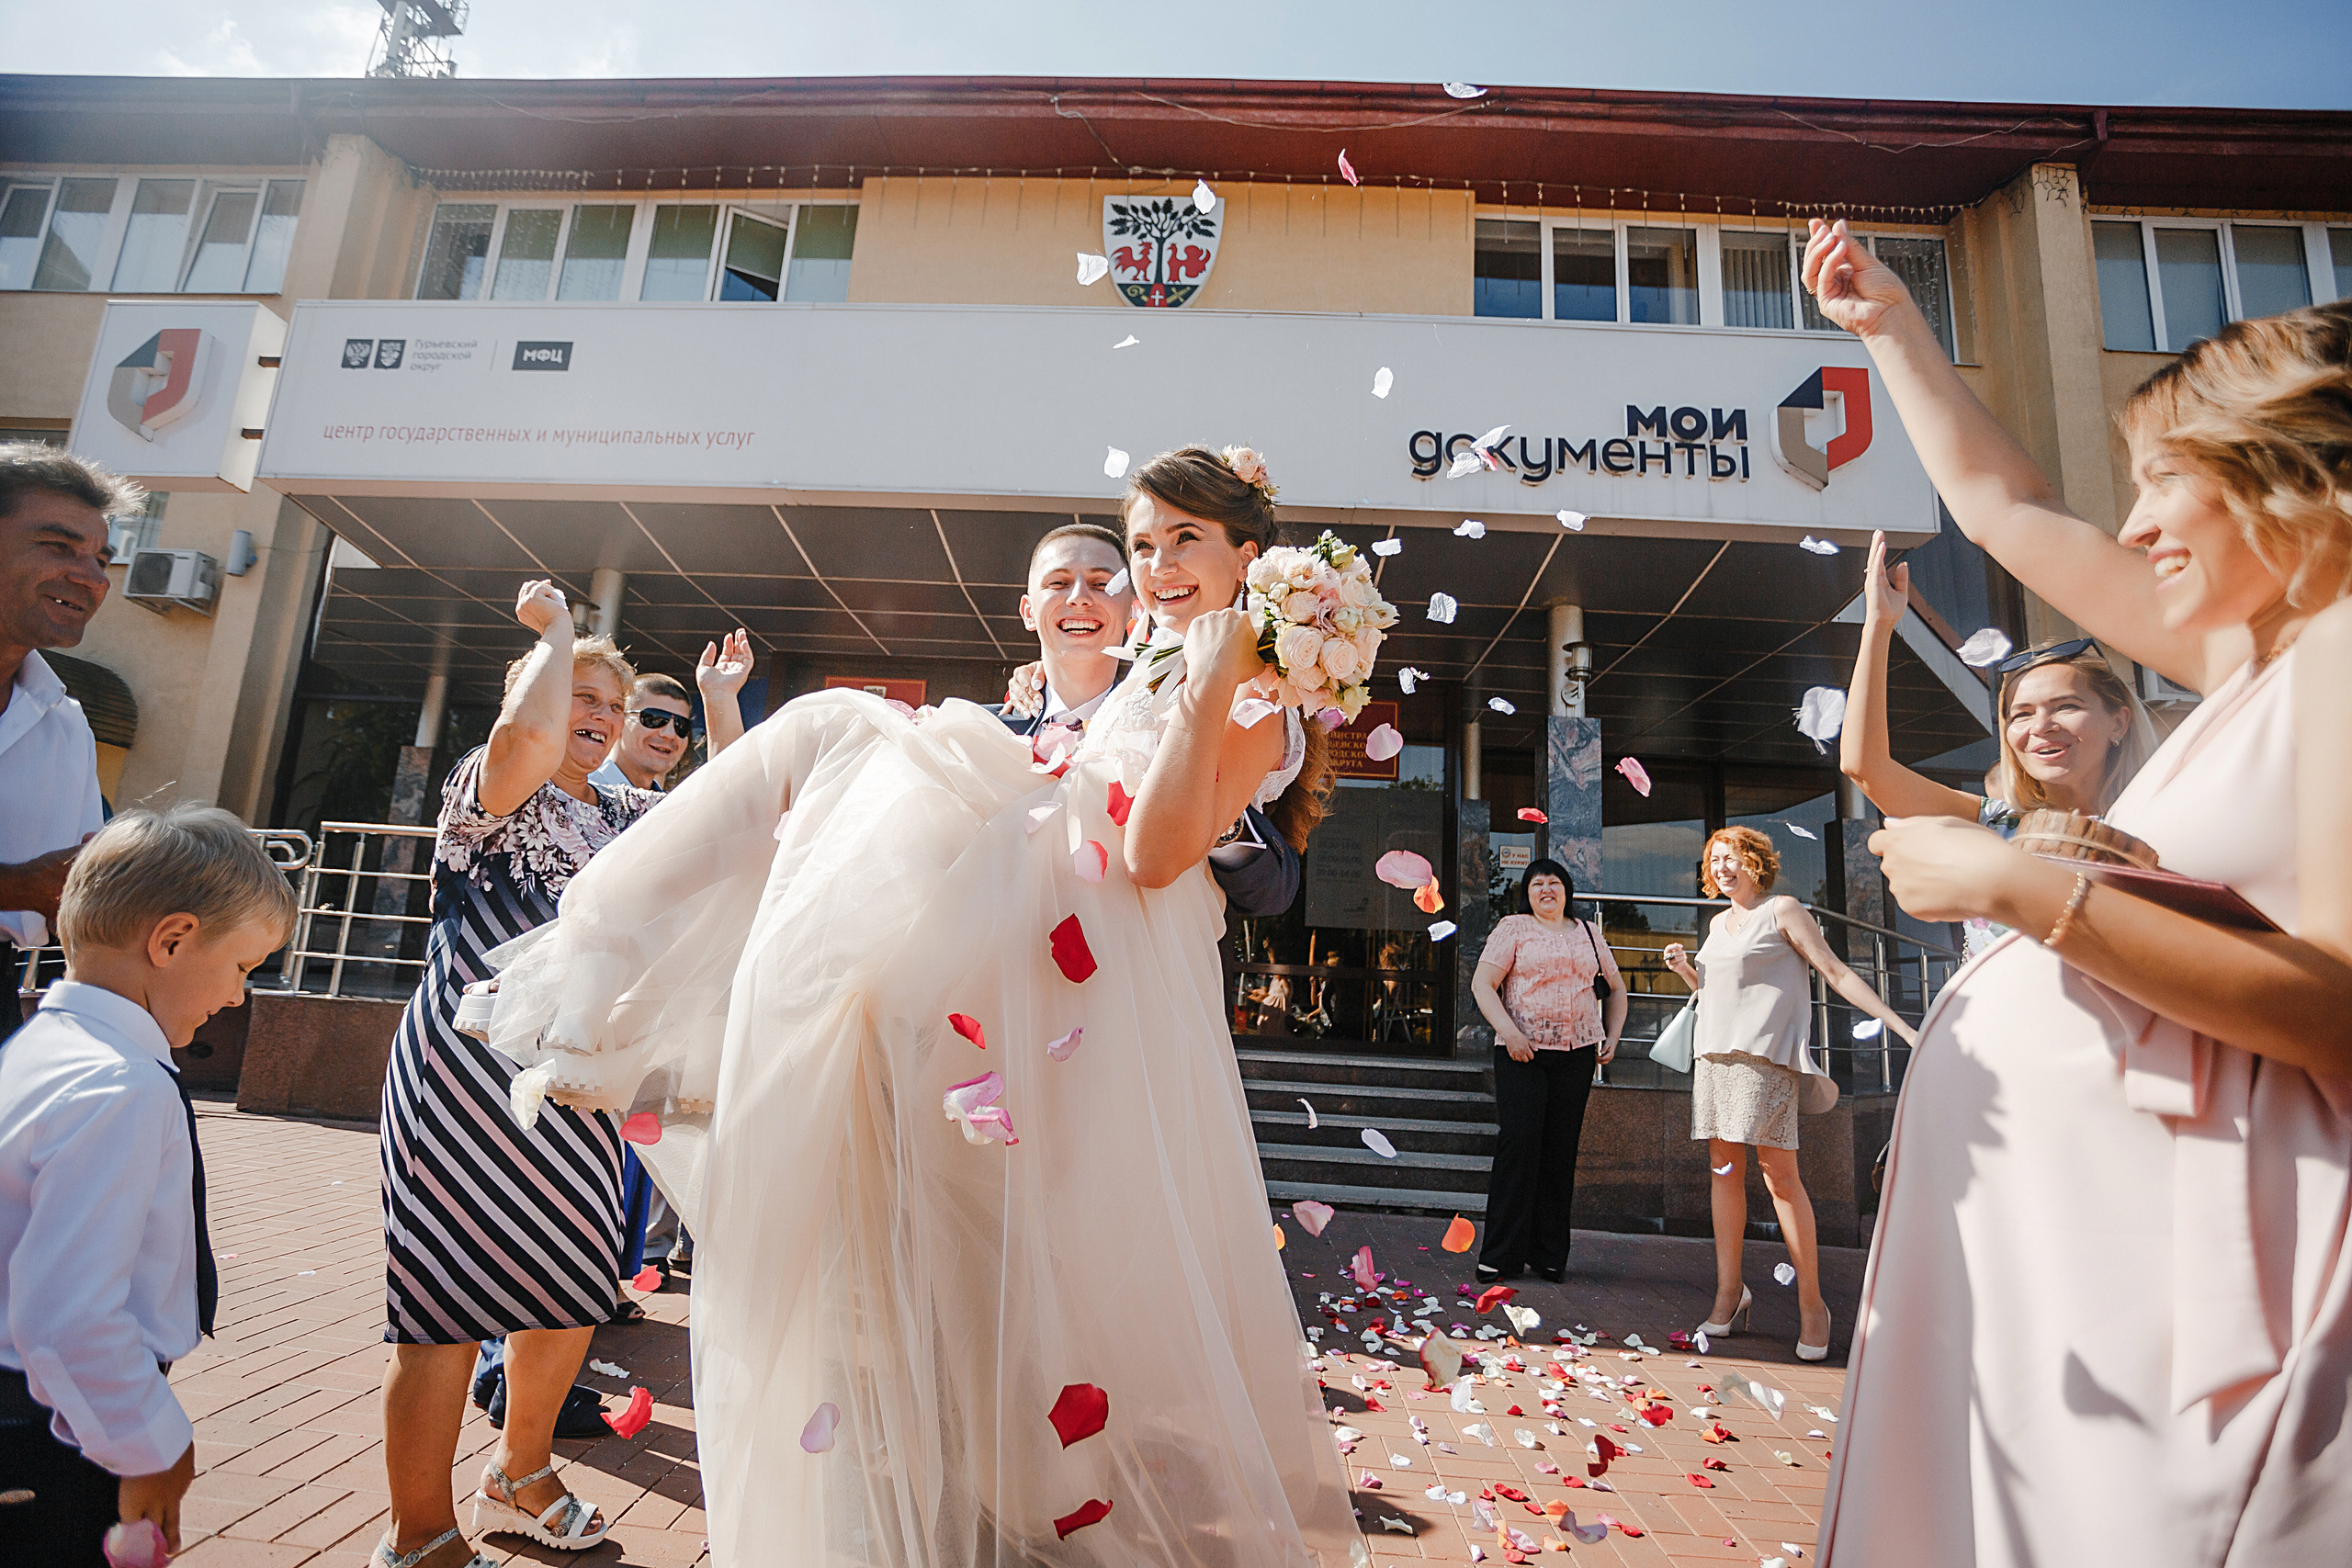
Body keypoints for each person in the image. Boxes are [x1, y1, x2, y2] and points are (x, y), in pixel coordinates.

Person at [476, 445, 1364, 1565]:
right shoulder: (1161, 666)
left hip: (1086, 973)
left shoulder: (1249, 694)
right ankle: (612, 994)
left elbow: (1150, 852)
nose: (1158, 565)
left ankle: (632, 1016)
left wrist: (1216, 664)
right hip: (1026, 944)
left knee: (840, 739)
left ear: (1248, 555)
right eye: (1144, 544)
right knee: (825, 752)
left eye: (1184, 540)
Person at [1799, 224, 2352, 1564]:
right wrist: (1890, 328)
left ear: (2294, 486)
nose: (2138, 523)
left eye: (2171, 482)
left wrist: (2017, 883)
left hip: (2189, 1283)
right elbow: (2010, 510)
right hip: (2074, 1256)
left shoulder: (2338, 661)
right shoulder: (2259, 656)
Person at [374, 580, 658, 1568]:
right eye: (581, 696)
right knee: (445, 1309)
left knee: (569, 1287)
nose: (599, 719)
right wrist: (559, 635)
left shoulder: (626, 814)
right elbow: (525, 740)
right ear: (533, 693)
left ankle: (520, 1470)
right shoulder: (486, 787)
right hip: (462, 1078)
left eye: (611, 707)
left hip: (573, 1089)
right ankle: (418, 1534)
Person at [0, 806, 295, 1565]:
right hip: (52, 1425)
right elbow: (66, 1311)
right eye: (241, 966)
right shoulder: (118, 1085)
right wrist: (147, 1441)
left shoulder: (42, 1048)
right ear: (172, 939)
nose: (236, 997)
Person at [1660, 828, 1917, 1359]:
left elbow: (1835, 970)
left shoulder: (1784, 910)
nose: (1723, 868)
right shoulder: (1716, 923)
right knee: (1723, 1172)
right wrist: (1688, 971)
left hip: (1765, 1060)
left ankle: (1812, 1305)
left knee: (1780, 1176)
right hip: (1713, 1056)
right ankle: (1730, 1293)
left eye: (1732, 858)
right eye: (1715, 861)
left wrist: (1902, 1026)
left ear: (1755, 861)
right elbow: (1718, 994)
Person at [1841, 528, 2154, 956]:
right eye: (2022, 714)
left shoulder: (2163, 820)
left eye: (2065, 706)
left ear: (2119, 722)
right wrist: (1878, 625)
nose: (2041, 726)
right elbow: (1865, 767)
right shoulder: (1995, 824)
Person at [998, 520, 1303, 919]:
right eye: (1057, 583)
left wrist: (1217, 821)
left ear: (1131, 611)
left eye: (1100, 583)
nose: (1078, 599)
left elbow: (1273, 894)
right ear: (1028, 611)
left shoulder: (1176, 724)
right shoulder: (988, 736)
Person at [0, 445, 133, 1038]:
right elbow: (32, 883)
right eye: (58, 546)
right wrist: (16, 884)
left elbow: (72, 893)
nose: (91, 576)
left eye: (101, 557)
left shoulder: (65, 723)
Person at [1470, 859, 1627, 1283]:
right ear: (1528, 892)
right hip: (1523, 1053)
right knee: (1519, 1146)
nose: (1546, 889)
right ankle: (1500, 1255)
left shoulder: (1589, 933)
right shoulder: (1514, 928)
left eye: (1554, 882)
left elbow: (1615, 987)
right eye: (1536, 883)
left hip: (1577, 1054)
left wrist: (1612, 1034)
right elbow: (1482, 985)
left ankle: (1549, 1255)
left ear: (1567, 890)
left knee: (1560, 1151)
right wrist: (1510, 1032)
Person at [587, 630, 754, 793]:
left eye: (680, 726)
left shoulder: (667, 806)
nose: (669, 734)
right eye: (654, 719)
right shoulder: (581, 790)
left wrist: (721, 695)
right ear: (620, 720)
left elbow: (729, 799)